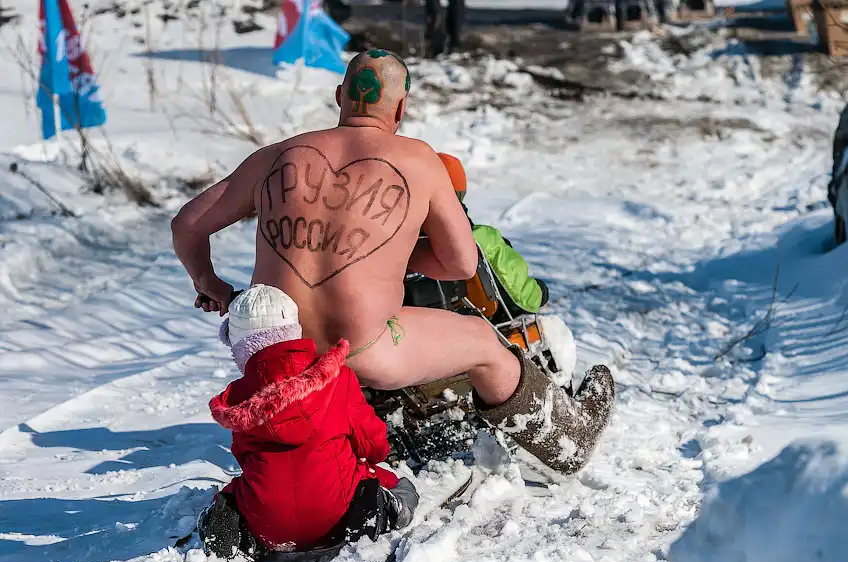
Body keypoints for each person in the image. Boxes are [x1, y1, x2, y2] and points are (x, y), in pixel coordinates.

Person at [171, 48, 615, 476]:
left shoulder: (275, 156)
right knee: (483, 342)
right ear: (401, 107)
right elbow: (461, 263)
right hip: (362, 347)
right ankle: (568, 441)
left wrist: (209, 283)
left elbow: (187, 224)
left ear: (340, 96)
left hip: (277, 351)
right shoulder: (419, 160)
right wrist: (391, 253)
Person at [199, 284, 419, 558]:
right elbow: (370, 441)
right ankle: (373, 514)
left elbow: (245, 457)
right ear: (294, 330)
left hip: (267, 525)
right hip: (338, 515)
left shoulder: (239, 397)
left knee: (234, 496)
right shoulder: (338, 378)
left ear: (240, 346)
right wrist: (375, 456)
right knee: (399, 486)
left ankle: (229, 530)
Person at [436, 152, 549, 322]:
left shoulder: (401, 239)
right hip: (476, 326)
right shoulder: (481, 239)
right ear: (460, 192)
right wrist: (541, 292)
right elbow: (523, 299)